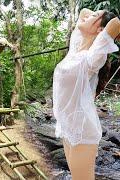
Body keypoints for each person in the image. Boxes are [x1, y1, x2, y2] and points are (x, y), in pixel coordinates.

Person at [53, 9, 120, 180]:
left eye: (94, 17)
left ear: (100, 31)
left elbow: (116, 24)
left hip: (81, 131)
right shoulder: (76, 46)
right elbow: (83, 11)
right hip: (68, 126)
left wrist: (106, 23)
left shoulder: (93, 57)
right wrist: (97, 17)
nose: (87, 16)